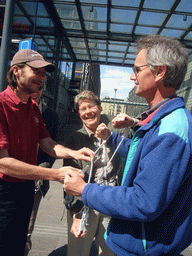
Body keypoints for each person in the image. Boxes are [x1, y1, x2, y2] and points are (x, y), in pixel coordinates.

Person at [64, 35, 192, 256]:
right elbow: (140, 155)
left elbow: (144, 202)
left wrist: (85, 190)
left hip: (142, 247)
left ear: (160, 72)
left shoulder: (171, 129)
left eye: (137, 69)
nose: (133, 76)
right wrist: (113, 138)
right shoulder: (161, 121)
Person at [0, 49, 93, 256]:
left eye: (44, 73)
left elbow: (48, 143)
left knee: (18, 243)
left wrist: (75, 153)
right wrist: (56, 174)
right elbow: (3, 162)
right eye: (36, 71)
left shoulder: (32, 107)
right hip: (4, 191)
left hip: (24, 188)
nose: (42, 77)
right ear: (16, 71)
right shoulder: (1, 105)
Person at [63, 90, 124, 256]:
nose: (88, 112)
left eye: (91, 106)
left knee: (112, 251)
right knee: (78, 251)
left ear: (100, 107)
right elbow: (69, 181)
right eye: (83, 109)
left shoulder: (117, 131)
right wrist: (75, 212)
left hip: (113, 203)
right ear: (78, 113)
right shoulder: (74, 139)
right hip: (84, 205)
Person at [24, 88, 59, 255]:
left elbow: (52, 144)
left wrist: (44, 168)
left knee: (27, 227)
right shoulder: (10, 108)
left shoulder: (49, 115)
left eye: (38, 87)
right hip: (10, 177)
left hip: (36, 178)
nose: (34, 92)